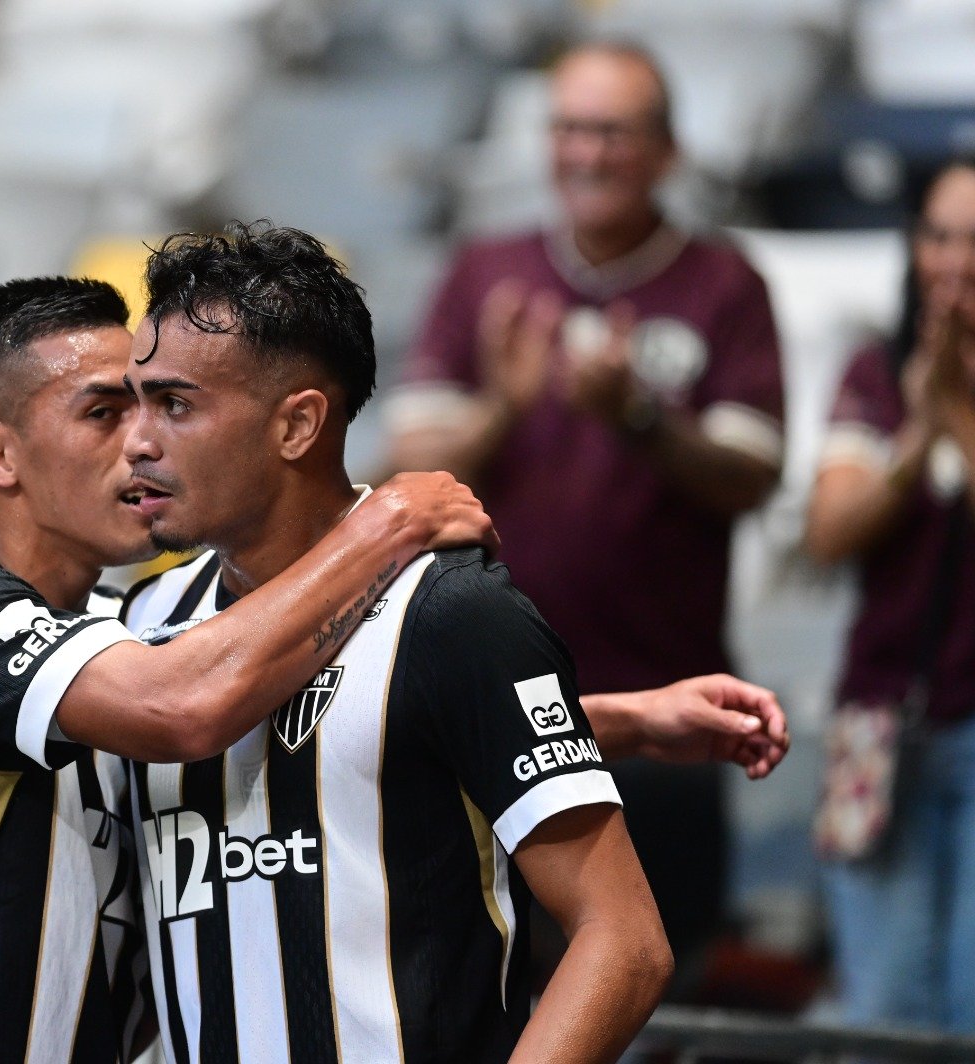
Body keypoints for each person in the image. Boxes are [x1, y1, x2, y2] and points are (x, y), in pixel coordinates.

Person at [119, 221, 790, 1062]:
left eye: (174, 404)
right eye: (131, 402)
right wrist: (621, 718)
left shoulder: (454, 612)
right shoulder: (140, 628)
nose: (136, 440)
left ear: (296, 427)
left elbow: (623, 944)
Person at [0, 276, 500, 1061]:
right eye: (104, 412)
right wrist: (387, 522)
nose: (144, 441)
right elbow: (183, 710)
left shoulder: (116, 632)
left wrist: (581, 715)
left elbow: (337, 723)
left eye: (159, 406)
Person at [384, 41, 786, 976]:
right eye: (569, 128)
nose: (587, 153)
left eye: (613, 131)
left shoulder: (724, 283)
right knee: (489, 988)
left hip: (668, 714)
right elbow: (410, 460)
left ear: (666, 151)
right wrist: (507, 407)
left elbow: (753, 474)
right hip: (488, 714)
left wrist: (638, 413)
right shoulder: (488, 269)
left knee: (660, 989)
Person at [806, 157, 975, 1032]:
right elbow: (829, 532)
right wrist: (919, 432)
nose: (956, 260)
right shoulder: (877, 373)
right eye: (941, 234)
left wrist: (962, 418)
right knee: (888, 1013)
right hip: (883, 724)